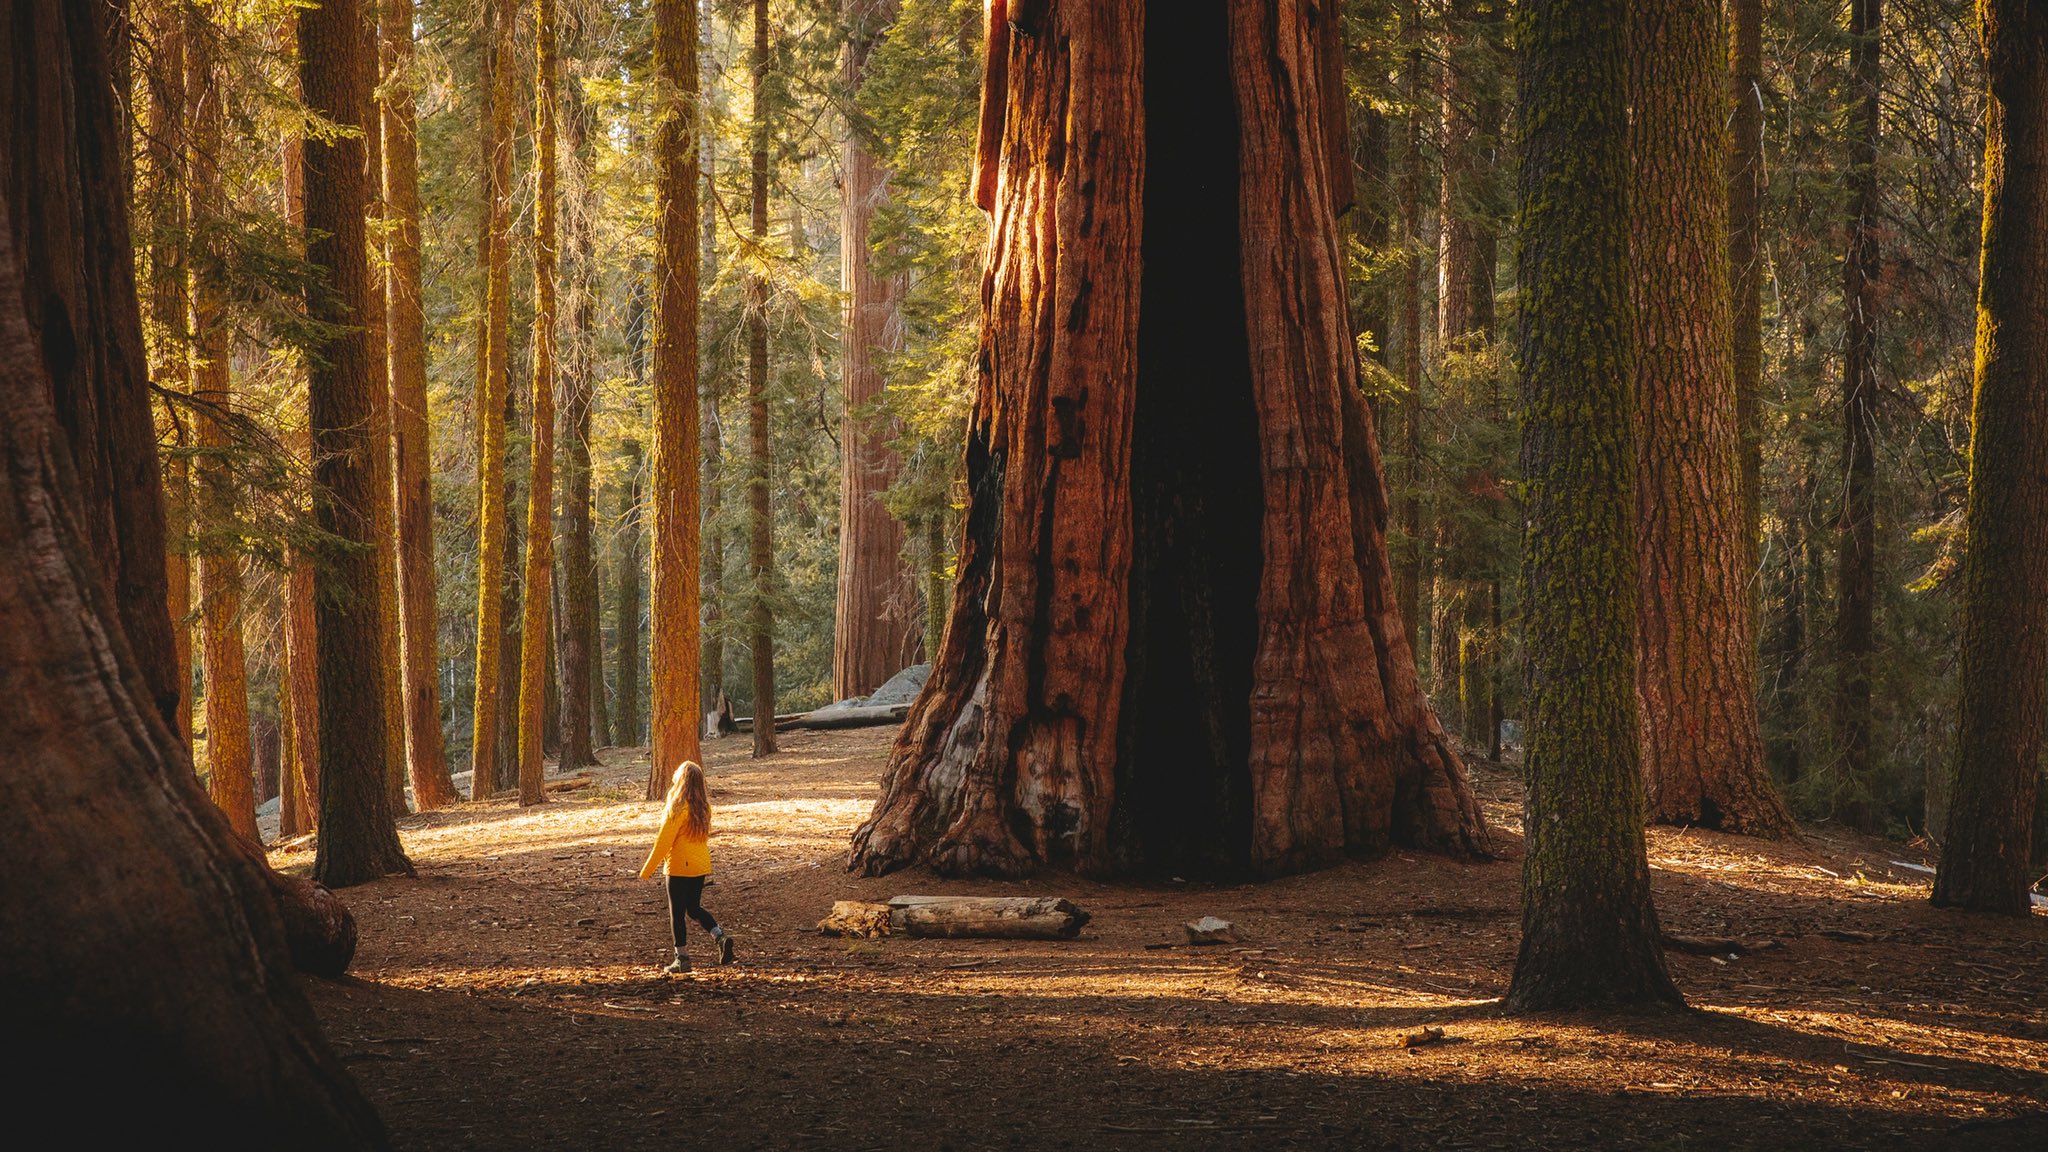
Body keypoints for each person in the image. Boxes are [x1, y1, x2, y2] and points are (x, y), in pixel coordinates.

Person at [638, 761, 736, 973]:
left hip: (679, 867)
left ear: (682, 779)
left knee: (677, 913)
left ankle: (681, 959)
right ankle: (719, 936)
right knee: (694, 908)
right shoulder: (703, 807)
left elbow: (663, 841)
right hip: (700, 866)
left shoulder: (676, 807)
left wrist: (647, 870)